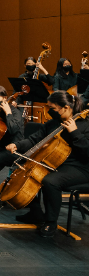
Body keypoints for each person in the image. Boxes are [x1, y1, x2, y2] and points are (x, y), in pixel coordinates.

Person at [5, 91, 89, 236]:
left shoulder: (84, 125)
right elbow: (33, 139)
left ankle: (51, 222)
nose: (50, 111)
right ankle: (36, 212)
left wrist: (75, 133)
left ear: (66, 107)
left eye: (53, 108)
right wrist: (17, 145)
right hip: (58, 164)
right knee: (27, 170)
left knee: (50, 181)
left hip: (80, 167)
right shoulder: (54, 123)